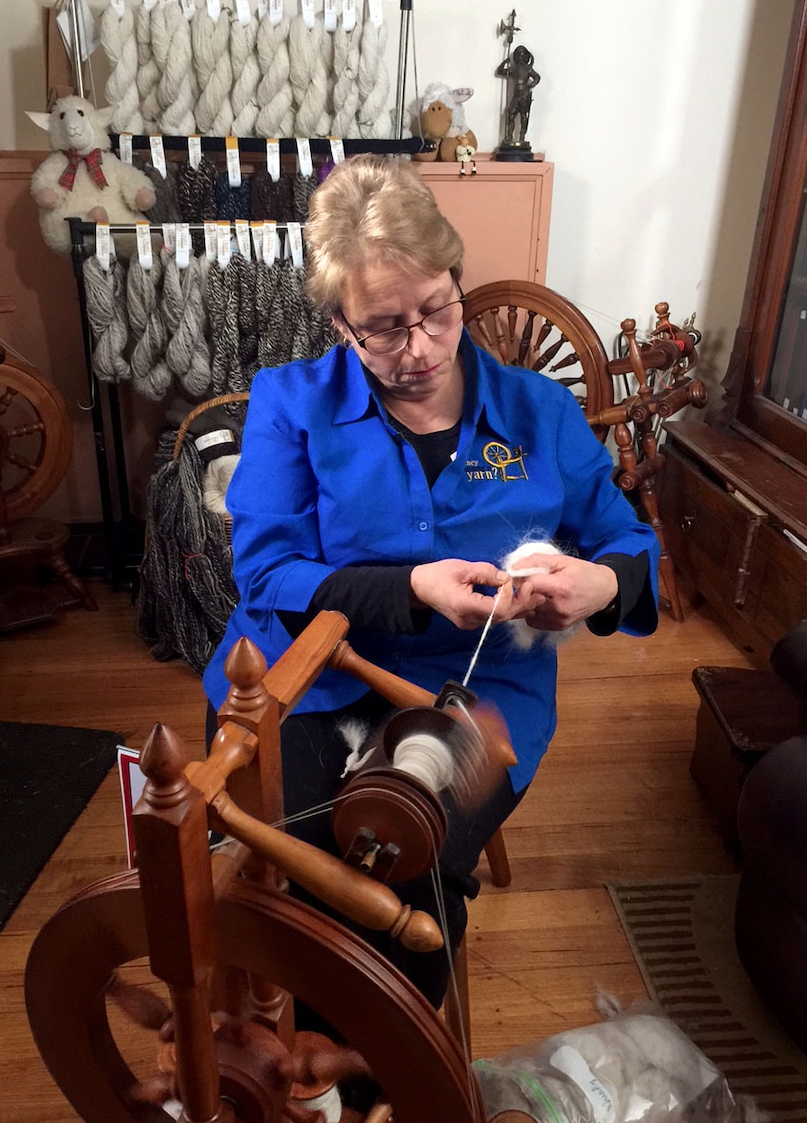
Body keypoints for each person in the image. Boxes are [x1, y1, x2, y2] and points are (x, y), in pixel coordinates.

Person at [203, 154, 659, 1010]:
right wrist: (412, 587)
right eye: (382, 327)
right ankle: (304, 1051)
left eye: (436, 311)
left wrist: (599, 584)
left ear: (457, 280)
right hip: (303, 678)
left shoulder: (538, 412)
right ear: (340, 324)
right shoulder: (289, 404)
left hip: (483, 689)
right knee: (300, 877)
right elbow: (267, 572)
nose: (418, 348)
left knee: (402, 863)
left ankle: (378, 1070)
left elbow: (625, 538)